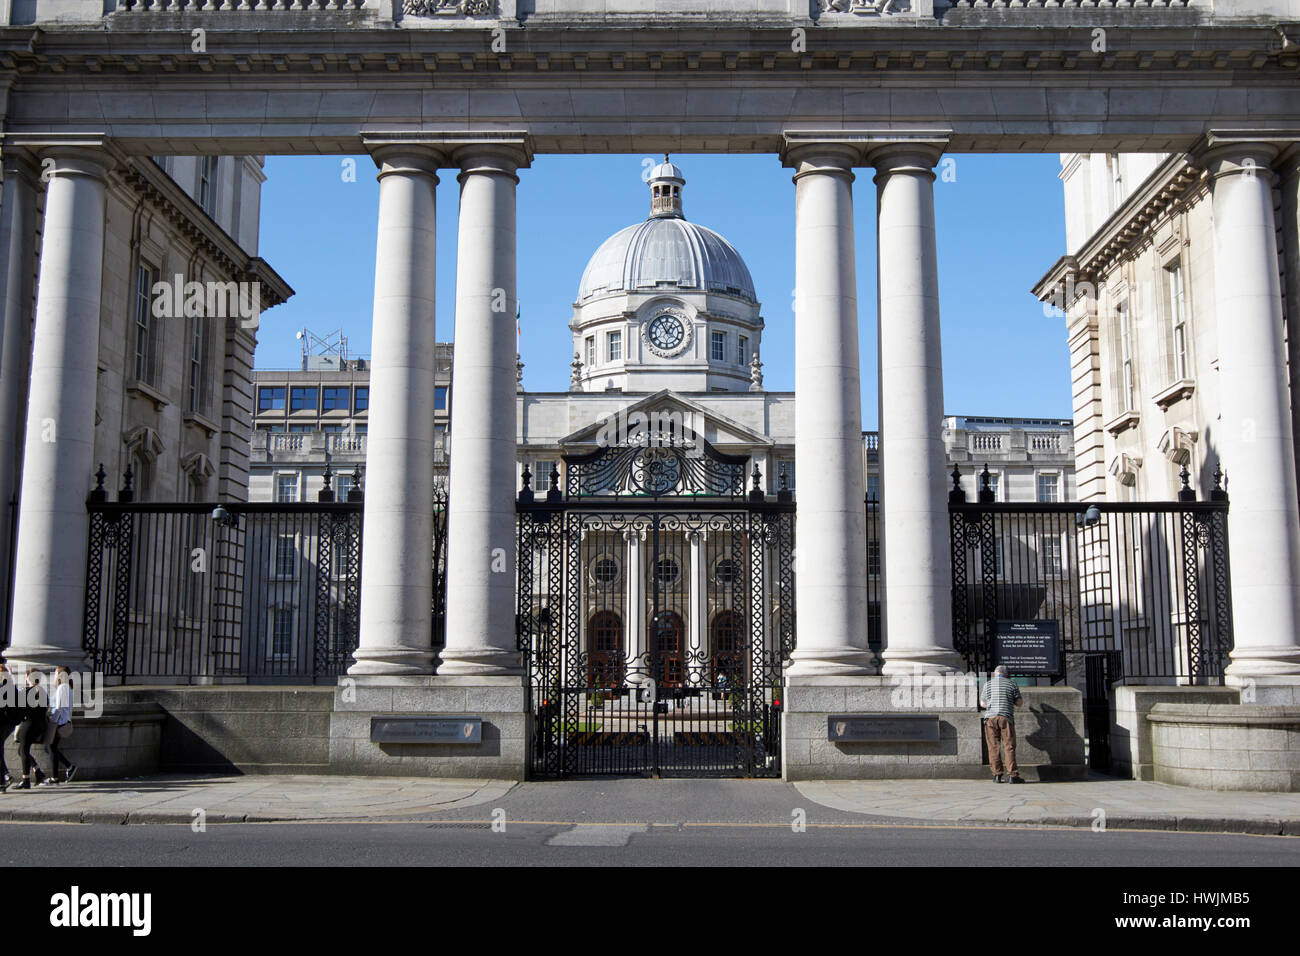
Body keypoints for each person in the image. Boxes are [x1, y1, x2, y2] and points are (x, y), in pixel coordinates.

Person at [979, 664, 1024, 784]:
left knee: (993, 746)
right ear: (1006, 674)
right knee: (1009, 746)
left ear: (995, 674)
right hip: (1006, 717)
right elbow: (1019, 703)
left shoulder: (987, 684)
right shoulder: (1012, 684)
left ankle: (997, 775)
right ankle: (1012, 775)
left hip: (990, 718)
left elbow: (982, 704)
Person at [13, 670, 49, 790]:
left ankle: (26, 779)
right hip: (40, 724)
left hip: (28, 724)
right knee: (22, 750)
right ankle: (38, 773)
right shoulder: (43, 692)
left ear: (28, 677)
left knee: (23, 751)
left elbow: (19, 708)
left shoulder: (27, 691)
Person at [46, 666, 76, 784]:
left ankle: (56, 777)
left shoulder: (62, 688)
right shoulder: (67, 687)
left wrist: (52, 722)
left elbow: (58, 708)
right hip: (63, 721)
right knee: (51, 748)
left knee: (50, 747)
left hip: (59, 722)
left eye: (55, 673)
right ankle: (69, 767)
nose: (54, 676)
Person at [0, 663, 21, 792]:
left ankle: (4, 778)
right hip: (10, 723)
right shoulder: (12, 687)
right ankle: (4, 778)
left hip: (2, 722)